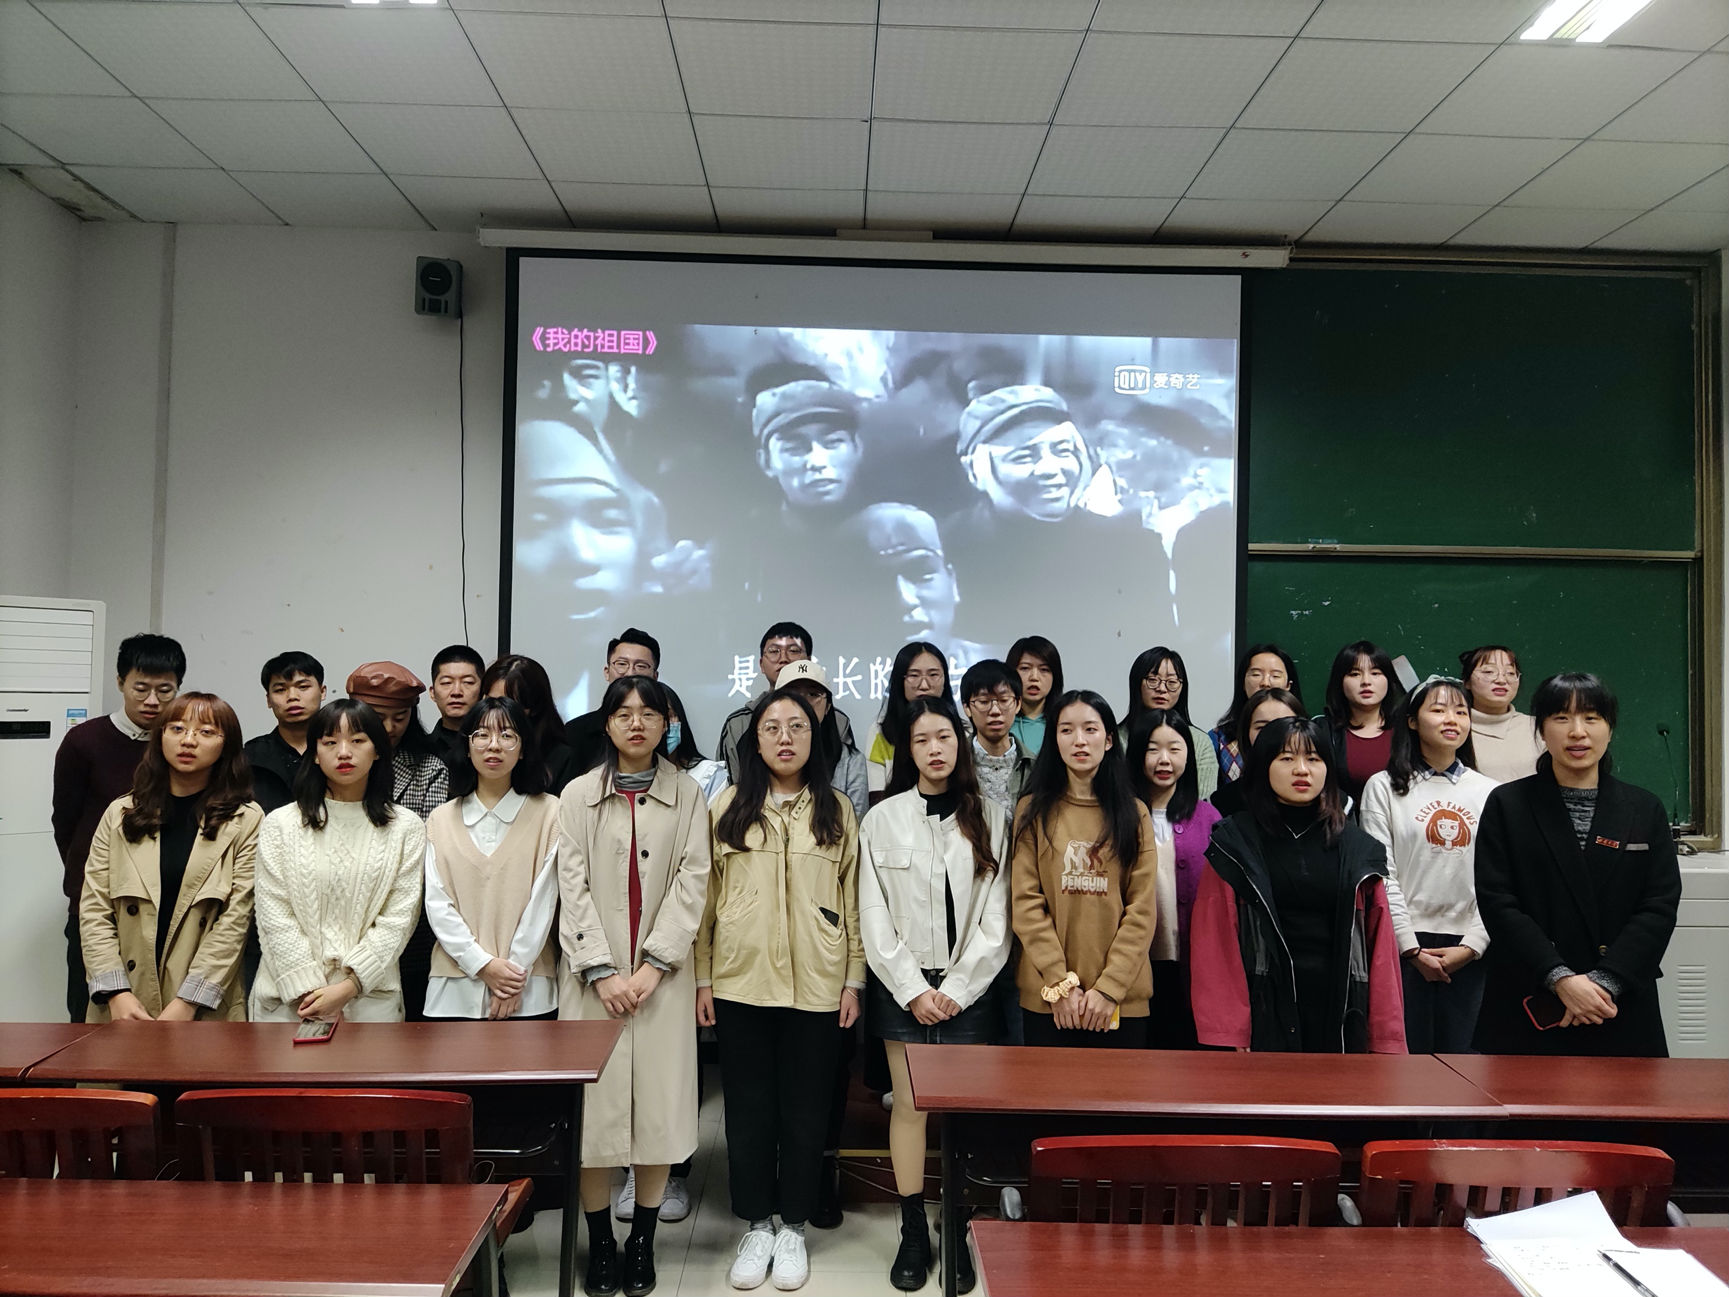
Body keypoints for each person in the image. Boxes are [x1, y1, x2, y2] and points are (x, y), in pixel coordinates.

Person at [695, 688, 864, 1293]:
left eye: (797, 726)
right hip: (741, 982)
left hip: (819, 985)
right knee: (747, 1111)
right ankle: (756, 1224)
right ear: (755, 740)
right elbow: (706, 901)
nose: (785, 737)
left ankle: (793, 1225)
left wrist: (853, 979)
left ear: (815, 738)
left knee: (805, 1111)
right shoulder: (727, 807)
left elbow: (853, 901)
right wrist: (703, 977)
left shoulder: (837, 809)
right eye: (772, 727)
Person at [559, 677, 712, 1297]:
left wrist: (653, 965)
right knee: (593, 1124)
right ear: (607, 723)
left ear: (667, 724)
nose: (637, 723)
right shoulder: (577, 794)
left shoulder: (689, 794)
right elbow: (570, 885)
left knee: (657, 1114)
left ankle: (642, 1240)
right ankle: (601, 1243)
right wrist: (600, 968)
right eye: (624, 713)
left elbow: (694, 881)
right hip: (590, 985)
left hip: (661, 984)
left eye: (650, 713)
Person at [859, 698, 1010, 1292]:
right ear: (907, 750)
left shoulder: (992, 817)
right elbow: (872, 914)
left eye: (944, 737)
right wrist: (913, 989)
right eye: (921, 740)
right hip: (903, 987)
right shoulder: (882, 819)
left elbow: (997, 918)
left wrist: (958, 989)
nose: (935, 749)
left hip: (969, 989)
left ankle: (958, 1222)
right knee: (910, 1106)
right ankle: (913, 1230)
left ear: (960, 742)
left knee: (962, 1113)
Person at [1472, 673, 1681, 1057]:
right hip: (1531, 998)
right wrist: (1560, 979)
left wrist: (1603, 982)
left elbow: (1659, 905)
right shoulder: (1507, 805)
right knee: (1523, 1097)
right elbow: (1498, 902)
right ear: (1541, 729)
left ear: (1610, 729)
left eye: (1591, 718)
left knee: (1627, 1097)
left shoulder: (1644, 808)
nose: (1577, 732)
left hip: (1617, 1002)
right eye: (1561, 718)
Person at [1190, 718, 1405, 1053]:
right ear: (1263, 766)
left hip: (1342, 1013)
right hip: (1261, 1013)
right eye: (1287, 758)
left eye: (1314, 759)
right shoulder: (1234, 844)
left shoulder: (1359, 849)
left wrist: (1384, 1038)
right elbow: (1214, 945)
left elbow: (1380, 953)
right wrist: (1230, 1032)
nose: (1302, 770)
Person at [943, 386, 1175, 649]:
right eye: (1023, 456)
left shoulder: (1132, 549)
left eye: (1063, 451)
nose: (1050, 468)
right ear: (974, 471)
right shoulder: (944, 549)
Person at [80, 692, 260, 1023]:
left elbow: (236, 920)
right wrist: (115, 992)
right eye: (177, 728)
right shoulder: (121, 813)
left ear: (227, 745)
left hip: (203, 1002)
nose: (188, 741)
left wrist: (187, 1002)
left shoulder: (245, 820)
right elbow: (94, 907)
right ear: (160, 736)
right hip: (124, 1001)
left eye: (206, 732)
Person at [250, 699, 426, 1024]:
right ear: (315, 754)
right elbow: (274, 914)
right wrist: (311, 993)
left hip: (370, 1001)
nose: (344, 752)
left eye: (357, 741)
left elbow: (399, 919)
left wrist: (348, 987)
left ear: (377, 750)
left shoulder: (406, 828)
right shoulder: (280, 824)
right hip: (289, 1001)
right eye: (330, 743)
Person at [1011, 690, 1160, 1049]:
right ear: (1054, 740)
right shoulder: (1032, 811)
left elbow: (1141, 910)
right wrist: (1059, 984)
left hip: (1120, 1001)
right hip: (1050, 1001)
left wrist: (1109, 989)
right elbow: (1026, 904)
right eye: (1066, 730)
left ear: (1108, 740)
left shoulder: (1134, 813)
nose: (1079, 740)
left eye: (1090, 729)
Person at [1359, 677, 1498, 1054]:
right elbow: (1381, 873)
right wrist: (1409, 947)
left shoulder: (1489, 792)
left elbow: (1499, 881)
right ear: (1412, 721)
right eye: (1438, 710)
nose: (1451, 719)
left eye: (1461, 712)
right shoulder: (1383, 787)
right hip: (1402, 945)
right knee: (1404, 1068)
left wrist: (1472, 946)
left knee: (1468, 1070)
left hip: (1471, 948)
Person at [53, 632, 186, 1022]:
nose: (152, 701)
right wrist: (88, 881)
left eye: (165, 690)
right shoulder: (84, 741)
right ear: (120, 682)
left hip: (164, 903)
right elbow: (66, 823)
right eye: (140, 688)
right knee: (90, 1014)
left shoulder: (184, 744)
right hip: (98, 900)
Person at [422, 697, 560, 1021]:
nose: (494, 745)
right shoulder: (441, 819)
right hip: (453, 988)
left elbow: (545, 901)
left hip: (529, 988)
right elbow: (437, 905)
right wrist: (482, 965)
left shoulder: (550, 812)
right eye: (482, 735)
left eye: (507, 735)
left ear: (522, 749)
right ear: (467, 746)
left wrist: (512, 976)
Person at [347, 661, 448, 1022]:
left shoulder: (429, 768)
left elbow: (423, 851)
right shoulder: (335, 763)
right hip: (343, 915)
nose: (389, 728)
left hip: (407, 921)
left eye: (400, 718)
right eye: (378, 717)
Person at [1124, 707, 1221, 1049]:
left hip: (1191, 966)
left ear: (1188, 756)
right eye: (1153, 749)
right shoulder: (1119, 815)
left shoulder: (1209, 817)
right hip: (1133, 965)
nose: (1163, 759)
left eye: (1174, 749)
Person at [841, 503, 992, 674]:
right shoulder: (829, 681)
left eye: (922, 573)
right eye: (878, 583)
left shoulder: (1004, 671)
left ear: (953, 582)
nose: (906, 600)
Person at [714, 622, 860, 783]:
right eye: (774, 651)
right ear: (761, 664)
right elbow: (729, 784)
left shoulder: (838, 721)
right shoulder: (739, 723)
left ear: (809, 661)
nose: (783, 659)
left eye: (794, 651)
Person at [752, 371, 866, 518]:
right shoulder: (743, 532)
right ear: (766, 463)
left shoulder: (892, 525)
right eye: (794, 449)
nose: (817, 462)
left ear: (858, 447)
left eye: (833, 442)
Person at [774, 659, 869, 824]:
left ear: (828, 707)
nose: (803, 702)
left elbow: (855, 825)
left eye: (813, 694)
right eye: (793, 694)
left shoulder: (850, 761)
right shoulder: (764, 753)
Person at [562, 628, 661, 781]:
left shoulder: (659, 730)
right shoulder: (576, 731)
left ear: (655, 676)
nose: (630, 673)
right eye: (622, 664)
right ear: (607, 672)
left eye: (641, 666)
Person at [1122, 646, 1219, 798]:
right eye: (1152, 680)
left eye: (1172, 682)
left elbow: (1203, 801)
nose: (1162, 688)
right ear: (1136, 683)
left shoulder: (1200, 742)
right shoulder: (1115, 738)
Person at [1320, 640, 1405, 809]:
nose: (1366, 681)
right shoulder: (1323, 730)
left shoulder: (1407, 729)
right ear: (1340, 681)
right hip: (1344, 822)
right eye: (1354, 674)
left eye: (1375, 673)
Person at [243, 651, 326, 815]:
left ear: (322, 692)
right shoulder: (252, 756)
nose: (292, 697)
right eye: (280, 690)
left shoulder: (340, 750)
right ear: (268, 699)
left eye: (303, 687)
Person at [1208, 643, 1301, 785]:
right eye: (1256, 674)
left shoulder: (1306, 735)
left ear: (1288, 685)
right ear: (1243, 683)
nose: (1265, 683)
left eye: (1275, 675)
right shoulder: (1219, 739)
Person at [482, 653, 575, 794]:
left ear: (533, 708)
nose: (497, 710)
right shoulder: (475, 744)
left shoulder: (559, 758)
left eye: (508, 703)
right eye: (491, 701)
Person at [865, 641, 950, 794]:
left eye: (933, 675)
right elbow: (876, 796)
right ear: (900, 681)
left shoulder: (962, 731)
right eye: (914, 675)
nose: (924, 685)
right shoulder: (881, 731)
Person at [1209, 687, 1303, 820]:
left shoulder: (1326, 799)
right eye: (1261, 727)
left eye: (1285, 724)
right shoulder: (1221, 802)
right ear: (1246, 733)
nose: (1273, 734)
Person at [959, 660, 1034, 820]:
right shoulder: (956, 763)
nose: (995, 710)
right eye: (984, 702)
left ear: (1018, 703)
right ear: (967, 708)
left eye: (1004, 700)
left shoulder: (1034, 767)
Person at [1460, 644, 1544, 783]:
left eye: (1510, 673)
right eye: (1489, 672)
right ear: (1467, 682)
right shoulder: (1455, 727)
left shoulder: (1539, 727)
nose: (1501, 680)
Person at [661, 682, 730, 803]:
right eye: (649, 716)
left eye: (669, 715)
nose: (664, 725)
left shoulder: (708, 775)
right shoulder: (627, 779)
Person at [427, 645, 485, 774]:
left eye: (468, 682)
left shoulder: (494, 748)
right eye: (447, 683)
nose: (456, 692)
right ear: (432, 693)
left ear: (482, 691)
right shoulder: (420, 750)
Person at [1005, 635, 1063, 757]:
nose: (1034, 677)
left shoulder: (1063, 722)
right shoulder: (1001, 723)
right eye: (1025, 668)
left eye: (1044, 669)